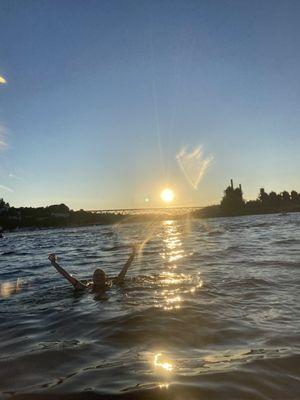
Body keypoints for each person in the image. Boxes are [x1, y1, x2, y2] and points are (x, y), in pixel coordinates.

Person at [48, 245, 138, 292]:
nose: (99, 277)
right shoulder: (86, 288)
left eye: (101, 275)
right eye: (96, 275)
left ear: (106, 277)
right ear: (92, 279)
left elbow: (125, 269)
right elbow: (67, 276)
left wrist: (133, 254)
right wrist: (53, 263)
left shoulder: (113, 284)